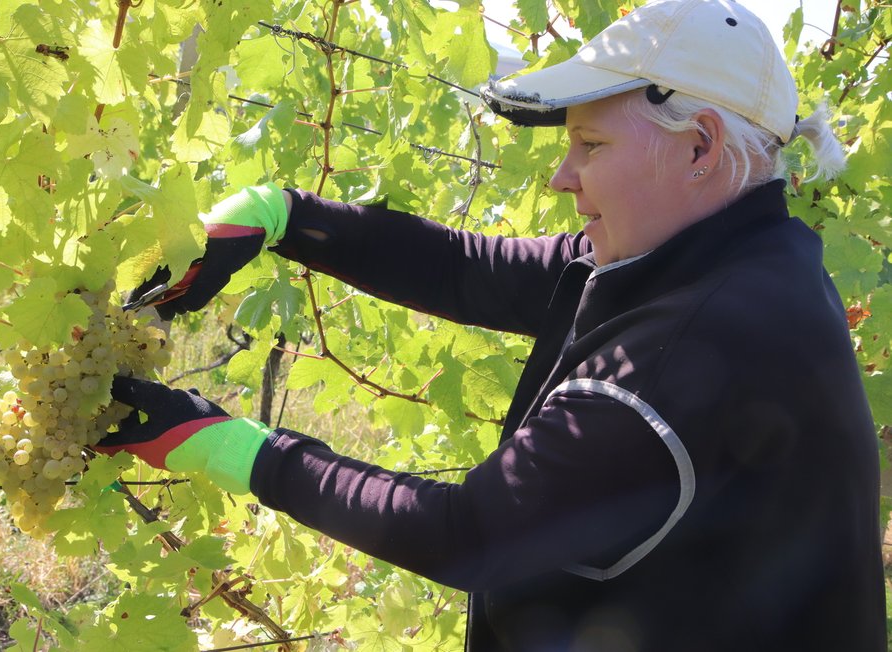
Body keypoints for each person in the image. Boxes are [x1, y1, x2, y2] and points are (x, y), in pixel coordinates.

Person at [96, 0, 886, 649]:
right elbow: (470, 269)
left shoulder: (688, 351)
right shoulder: (718, 255)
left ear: (700, 148)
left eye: (590, 143)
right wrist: (285, 217)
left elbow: (467, 534)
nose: (560, 175)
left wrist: (235, 450)